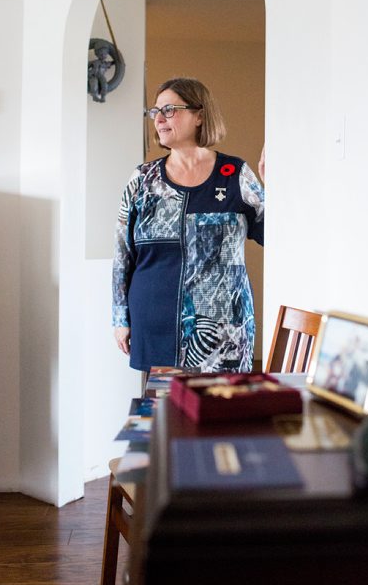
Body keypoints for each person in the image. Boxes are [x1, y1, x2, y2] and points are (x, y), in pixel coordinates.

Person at [112, 76, 265, 375]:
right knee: (163, 418)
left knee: (224, 417)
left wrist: (274, 185)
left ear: (199, 115)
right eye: (155, 111)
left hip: (224, 332)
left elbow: (277, 233)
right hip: (155, 325)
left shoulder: (235, 174)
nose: (159, 118)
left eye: (169, 109)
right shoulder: (142, 179)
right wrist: (120, 318)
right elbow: (122, 253)